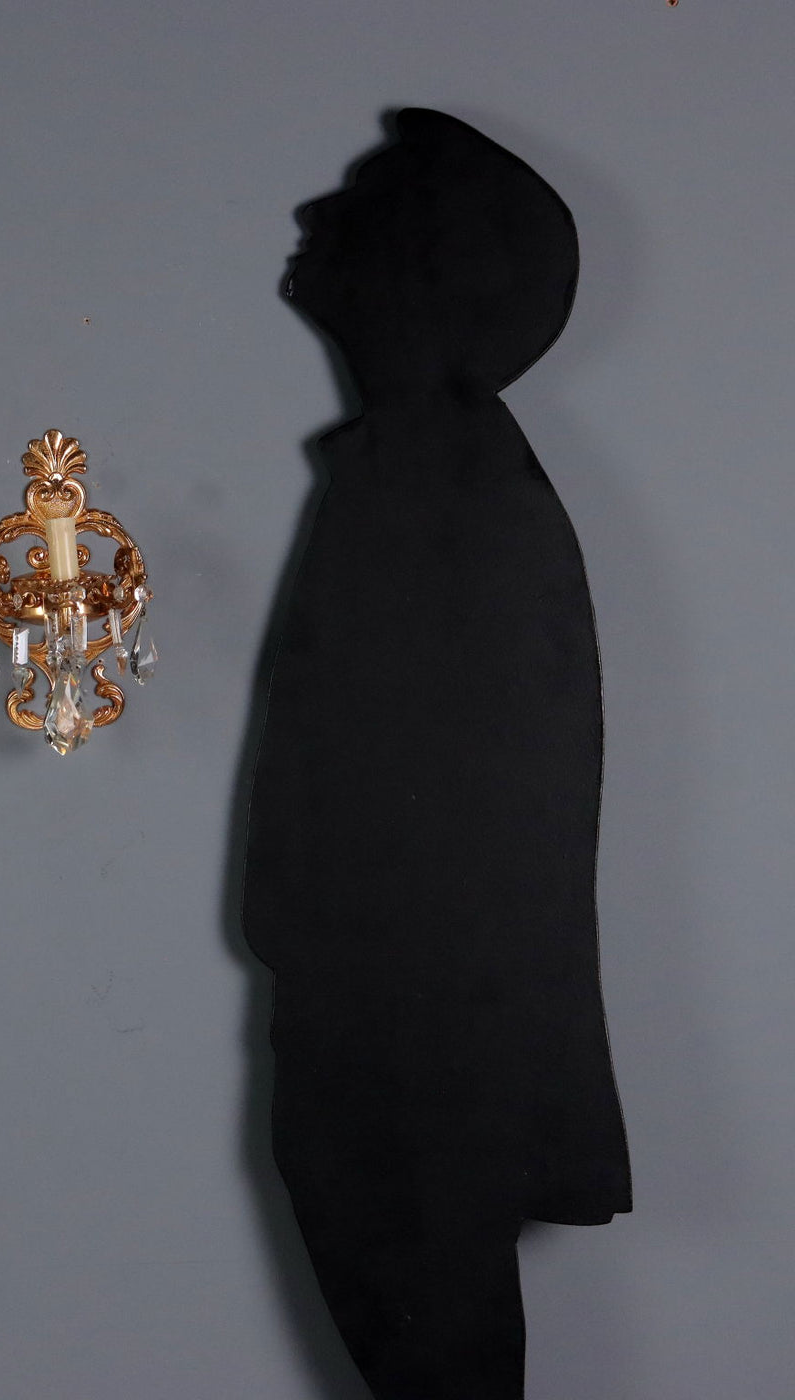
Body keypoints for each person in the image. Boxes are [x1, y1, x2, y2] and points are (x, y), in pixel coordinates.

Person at [242, 108, 632, 1400]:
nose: (313, 217)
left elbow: (489, 799)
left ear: (427, 260)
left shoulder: (448, 485)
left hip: (410, 1039)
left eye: (357, 197)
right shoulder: (428, 472)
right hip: (395, 1025)